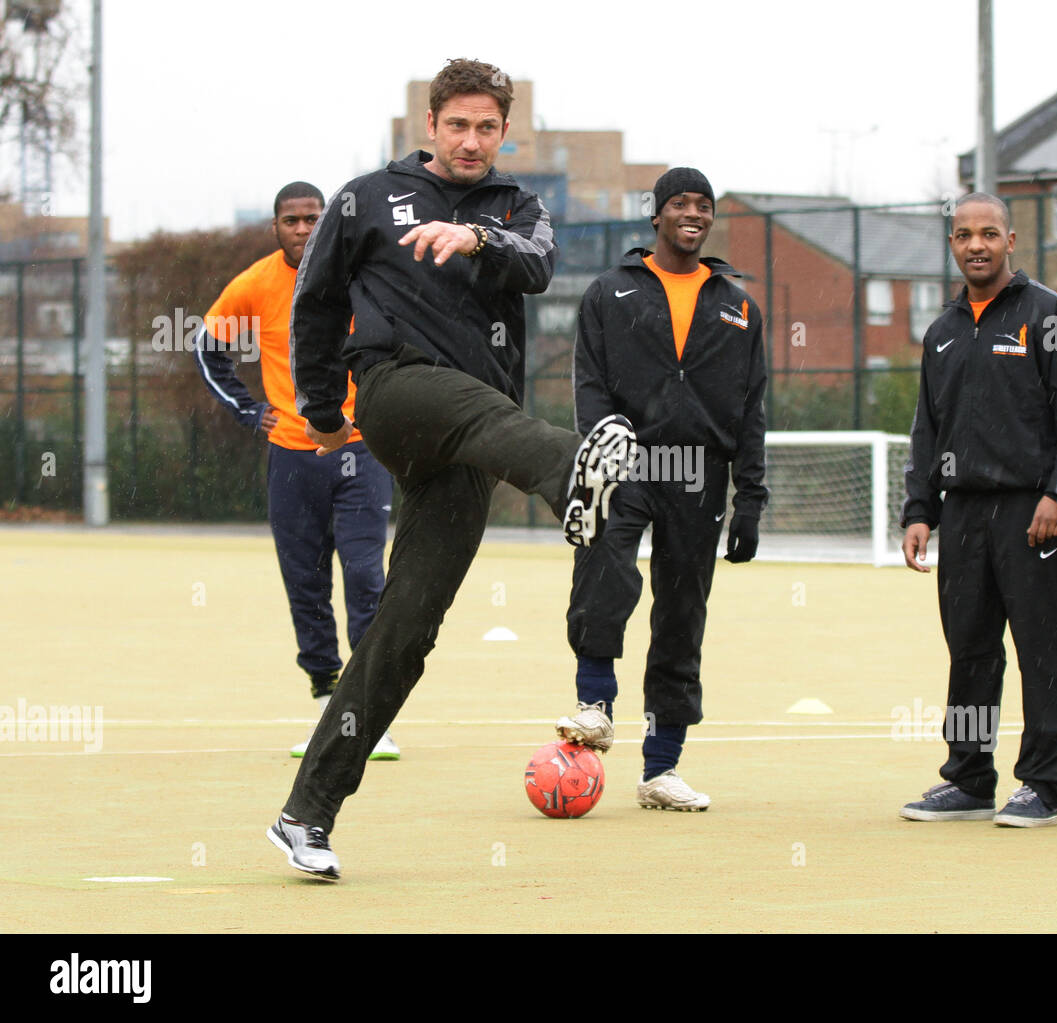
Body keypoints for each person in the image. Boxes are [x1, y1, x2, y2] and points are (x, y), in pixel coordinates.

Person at [266, 58, 635, 880]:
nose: (472, 141)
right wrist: (324, 412)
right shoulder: (364, 197)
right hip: (396, 391)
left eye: (488, 128)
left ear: (506, 133)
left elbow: (539, 263)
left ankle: (306, 812)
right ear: (430, 125)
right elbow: (317, 304)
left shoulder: (520, 208)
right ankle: (573, 472)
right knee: (489, 420)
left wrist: (477, 236)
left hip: (477, 436)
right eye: (458, 125)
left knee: (406, 628)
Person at [556, 168, 767, 811]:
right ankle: (595, 702)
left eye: (704, 205)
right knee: (603, 564)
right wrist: (603, 441)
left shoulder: (737, 304)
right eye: (681, 203)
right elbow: (589, 381)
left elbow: (752, 407)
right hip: (628, 460)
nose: (694, 213)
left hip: (700, 473)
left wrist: (750, 499)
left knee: (681, 615)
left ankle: (661, 769)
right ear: (657, 214)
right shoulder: (609, 292)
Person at [899, 191, 1057, 828]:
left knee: (1045, 648)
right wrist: (918, 508)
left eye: (989, 233)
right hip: (961, 516)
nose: (976, 245)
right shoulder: (942, 332)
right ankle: (968, 777)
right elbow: (927, 430)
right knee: (970, 648)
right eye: (964, 235)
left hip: (1033, 511)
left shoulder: (1049, 314)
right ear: (952, 244)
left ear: (1012, 241)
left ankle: (1045, 781)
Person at [194, 182, 398, 761]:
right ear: (276, 227)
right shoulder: (256, 284)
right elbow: (208, 347)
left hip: (360, 449)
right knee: (306, 586)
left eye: (314, 219)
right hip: (290, 455)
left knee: (366, 577)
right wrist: (247, 408)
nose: (305, 230)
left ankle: (370, 715)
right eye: (293, 220)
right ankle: (324, 707)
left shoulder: (358, 272)